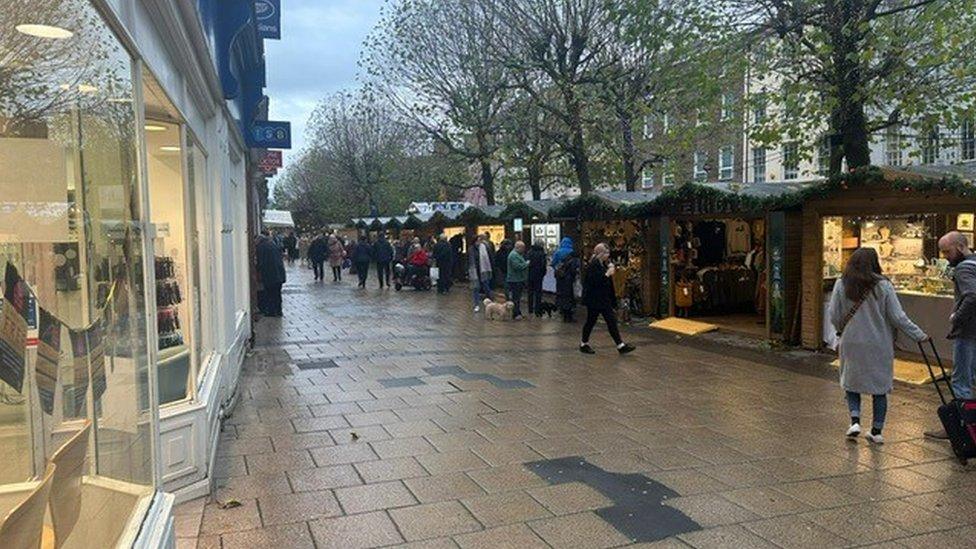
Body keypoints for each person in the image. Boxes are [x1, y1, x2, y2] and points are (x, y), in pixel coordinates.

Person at [828, 248, 928, 444]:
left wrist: (841, 329)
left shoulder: (842, 283)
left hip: (852, 341)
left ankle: (855, 421)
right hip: (878, 342)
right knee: (880, 386)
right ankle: (876, 431)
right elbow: (898, 317)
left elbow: (834, 314)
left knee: (851, 380)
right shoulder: (883, 286)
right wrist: (919, 335)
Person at [926, 232, 976, 439]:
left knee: (961, 380)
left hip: (967, 332)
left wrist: (957, 316)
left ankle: (960, 427)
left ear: (960, 246)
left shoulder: (964, 268)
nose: (945, 256)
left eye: (947, 251)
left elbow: (972, 295)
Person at [580, 243, 635, 355]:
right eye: (606, 253)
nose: (608, 255)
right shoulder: (593, 265)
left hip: (603, 299)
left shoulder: (601, 264)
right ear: (600, 253)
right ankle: (583, 343)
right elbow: (595, 282)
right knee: (591, 322)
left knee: (611, 321)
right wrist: (607, 274)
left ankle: (620, 345)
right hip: (595, 300)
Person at [256, 229, 286, 317]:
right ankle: (279, 311)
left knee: (269, 294)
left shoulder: (261, 247)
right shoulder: (273, 244)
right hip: (279, 274)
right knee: (277, 294)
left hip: (269, 275)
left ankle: (272, 312)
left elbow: (261, 262)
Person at [552, 237, 580, 322]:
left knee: (561, 294)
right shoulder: (572, 252)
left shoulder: (558, 252)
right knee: (569, 295)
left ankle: (562, 311)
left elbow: (553, 263)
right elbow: (576, 265)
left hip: (560, 277)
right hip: (570, 278)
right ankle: (569, 314)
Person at [469, 235, 494, 312]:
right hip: (475, 271)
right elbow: (469, 260)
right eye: (478, 240)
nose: (479, 242)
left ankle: (491, 302)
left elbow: (490, 257)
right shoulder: (471, 249)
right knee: (475, 288)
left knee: (486, 287)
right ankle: (476, 305)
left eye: (480, 240)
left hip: (484, 270)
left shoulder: (485, 247)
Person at [506, 241, 528, 320]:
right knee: (516, 298)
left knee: (517, 297)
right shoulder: (514, 255)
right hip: (515, 280)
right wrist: (526, 264)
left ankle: (518, 312)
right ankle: (516, 314)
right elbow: (517, 266)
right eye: (523, 248)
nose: (524, 250)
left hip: (518, 279)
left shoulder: (517, 254)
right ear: (519, 247)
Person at [526, 240, 547, 317]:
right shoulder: (542, 253)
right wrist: (543, 273)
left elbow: (527, 263)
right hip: (538, 275)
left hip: (530, 274)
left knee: (530, 292)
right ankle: (537, 310)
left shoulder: (529, 252)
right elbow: (543, 265)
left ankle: (530, 309)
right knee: (538, 293)